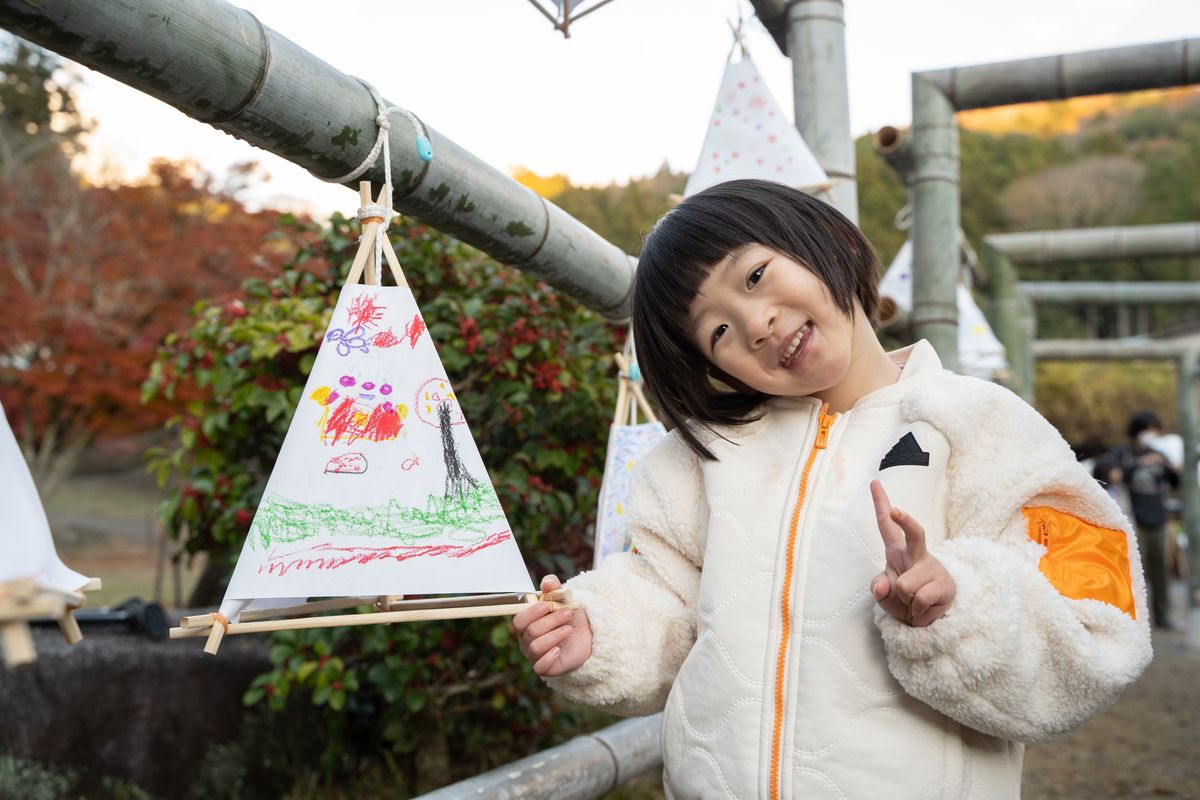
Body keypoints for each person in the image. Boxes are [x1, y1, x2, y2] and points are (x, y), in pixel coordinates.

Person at [513, 180, 1152, 798]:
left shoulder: (982, 424)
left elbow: (1097, 626)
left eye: (755, 276)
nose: (755, 323)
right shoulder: (700, 457)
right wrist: (598, 631)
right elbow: (665, 602)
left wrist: (958, 605)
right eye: (718, 333)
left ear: (831, 244)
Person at [1107, 410, 1179, 629]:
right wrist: (1140, 462)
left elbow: (1175, 481)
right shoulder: (1123, 452)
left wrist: (1171, 468)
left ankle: (1162, 615)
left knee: (1161, 571)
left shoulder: (1159, 454)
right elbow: (1113, 475)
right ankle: (1133, 617)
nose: (1151, 434)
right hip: (1132, 519)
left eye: (1154, 429)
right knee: (1135, 572)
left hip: (1158, 519)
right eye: (1147, 429)